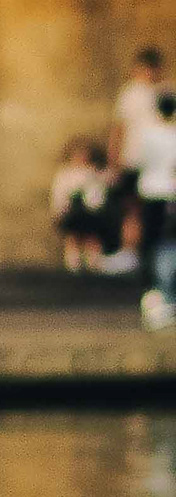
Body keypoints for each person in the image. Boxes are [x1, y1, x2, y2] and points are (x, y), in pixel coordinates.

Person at [107, 46, 167, 271]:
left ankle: (155, 257)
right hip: (133, 160)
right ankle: (130, 253)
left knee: (158, 212)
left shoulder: (166, 93)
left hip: (159, 165)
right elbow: (119, 129)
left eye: (152, 68)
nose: (148, 73)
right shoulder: (130, 94)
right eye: (144, 69)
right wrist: (114, 161)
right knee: (133, 208)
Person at [134, 91, 176, 328]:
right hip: (169, 191)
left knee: (151, 242)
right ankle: (163, 293)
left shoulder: (147, 133)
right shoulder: (172, 134)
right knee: (167, 243)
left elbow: (140, 161)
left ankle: (151, 291)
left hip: (150, 190)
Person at [49, 138, 112, 273]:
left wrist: (99, 207)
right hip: (72, 211)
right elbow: (59, 194)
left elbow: (101, 190)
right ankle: (73, 264)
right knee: (73, 237)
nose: (81, 157)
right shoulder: (65, 174)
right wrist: (58, 211)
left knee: (92, 237)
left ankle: (94, 263)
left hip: (91, 211)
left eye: (84, 154)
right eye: (77, 154)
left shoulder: (94, 173)